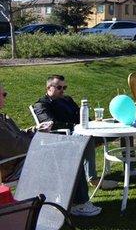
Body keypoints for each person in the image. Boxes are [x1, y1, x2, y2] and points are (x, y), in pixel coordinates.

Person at [0, 83, 101, 216]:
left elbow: (19, 135)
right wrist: (40, 141)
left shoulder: (2, 117)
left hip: (23, 159)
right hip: (16, 167)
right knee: (69, 155)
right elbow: (17, 147)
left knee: (68, 150)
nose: (5, 97)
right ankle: (79, 204)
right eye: (3, 94)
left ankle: (68, 202)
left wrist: (36, 130)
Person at [33, 75, 122, 189]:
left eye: (64, 87)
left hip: (82, 131)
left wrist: (93, 123)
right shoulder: (41, 105)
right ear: (49, 88)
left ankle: (131, 168)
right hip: (64, 138)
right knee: (86, 136)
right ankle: (93, 179)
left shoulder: (67, 99)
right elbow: (51, 124)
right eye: (59, 87)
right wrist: (77, 127)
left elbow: (80, 115)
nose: (63, 90)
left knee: (120, 127)